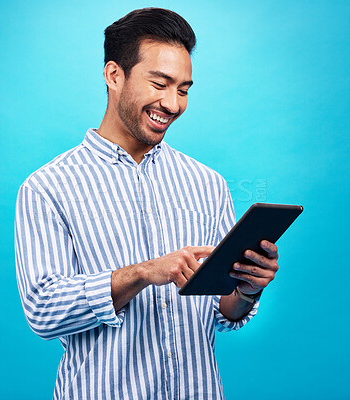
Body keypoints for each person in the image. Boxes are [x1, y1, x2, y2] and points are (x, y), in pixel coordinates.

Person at [15, 8, 279, 400]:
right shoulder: (47, 187)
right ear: (114, 76)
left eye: (184, 89)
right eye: (160, 83)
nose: (173, 104)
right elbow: (44, 310)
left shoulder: (207, 184)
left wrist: (244, 291)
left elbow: (221, 314)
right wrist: (142, 273)